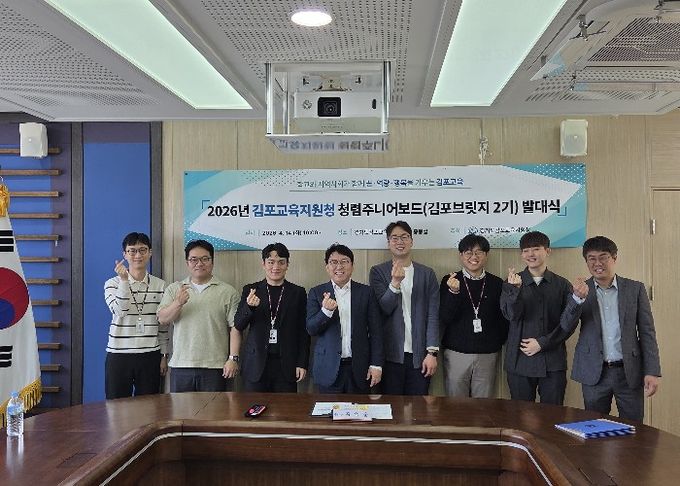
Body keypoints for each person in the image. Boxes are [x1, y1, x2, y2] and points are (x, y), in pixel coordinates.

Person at [559, 236, 661, 422]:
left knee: (633, 427)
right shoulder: (579, 290)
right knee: (595, 427)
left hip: (629, 372)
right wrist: (577, 299)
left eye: (603, 257)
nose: (597, 263)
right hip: (594, 372)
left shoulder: (635, 289)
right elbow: (566, 327)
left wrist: (652, 371)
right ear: (586, 261)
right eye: (592, 258)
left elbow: (647, 332)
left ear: (614, 258)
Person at [501, 231, 575, 405]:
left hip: (553, 361)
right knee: (519, 414)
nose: (530, 254)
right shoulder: (511, 282)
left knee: (553, 413)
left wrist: (543, 343)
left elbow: (568, 323)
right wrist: (515, 291)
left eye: (536, 249)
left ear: (547, 251)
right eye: (526, 250)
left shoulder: (562, 284)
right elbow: (511, 315)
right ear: (521, 254)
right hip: (519, 360)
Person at [157, 239, 241, 392]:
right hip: (181, 365)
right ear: (187, 263)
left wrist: (233, 358)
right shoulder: (175, 289)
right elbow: (162, 319)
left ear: (212, 262)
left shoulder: (228, 292)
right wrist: (178, 303)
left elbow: (235, 328)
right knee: (180, 408)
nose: (199, 264)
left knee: (215, 408)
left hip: (215, 366)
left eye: (205, 259)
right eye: (194, 259)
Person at [369, 221, 439, 395]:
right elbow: (384, 308)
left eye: (404, 237)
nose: (400, 241)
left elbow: (433, 314)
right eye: (394, 238)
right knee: (391, 405)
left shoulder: (427, 274)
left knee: (418, 406)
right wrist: (395, 283)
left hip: (420, 356)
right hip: (390, 355)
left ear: (411, 241)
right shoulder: (378, 272)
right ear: (388, 243)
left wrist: (432, 352)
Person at [307, 244, 384, 394]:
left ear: (352, 266)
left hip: (360, 369)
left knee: (360, 409)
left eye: (344, 261)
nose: (339, 266)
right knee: (328, 409)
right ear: (327, 267)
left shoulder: (366, 292)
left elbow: (376, 332)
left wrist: (376, 365)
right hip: (328, 368)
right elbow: (311, 329)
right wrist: (325, 312)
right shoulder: (316, 292)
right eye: (334, 262)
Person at [439, 234, 508, 398]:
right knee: (456, 405)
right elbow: (444, 317)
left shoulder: (497, 283)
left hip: (488, 354)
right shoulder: (450, 280)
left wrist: (496, 343)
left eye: (479, 252)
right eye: (468, 252)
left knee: (484, 406)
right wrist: (453, 292)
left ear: (486, 255)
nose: (474, 257)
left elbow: (503, 319)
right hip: (456, 353)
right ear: (461, 255)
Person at [234, 243, 310, 392]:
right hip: (256, 364)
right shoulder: (251, 290)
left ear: (287, 265)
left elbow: (303, 331)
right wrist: (249, 307)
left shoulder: (298, 292)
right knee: (254, 406)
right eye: (271, 262)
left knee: (285, 407)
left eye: (281, 262)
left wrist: (302, 363)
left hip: (286, 365)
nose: (276, 267)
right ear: (263, 264)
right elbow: (238, 325)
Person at [104, 232, 168, 399]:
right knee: (116, 407)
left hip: (150, 354)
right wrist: (124, 281)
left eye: (142, 250)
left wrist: (163, 355)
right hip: (119, 354)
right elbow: (120, 311)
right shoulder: (112, 283)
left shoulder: (160, 285)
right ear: (124, 254)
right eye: (132, 251)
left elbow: (163, 326)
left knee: (149, 407)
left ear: (150, 253)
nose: (138, 255)